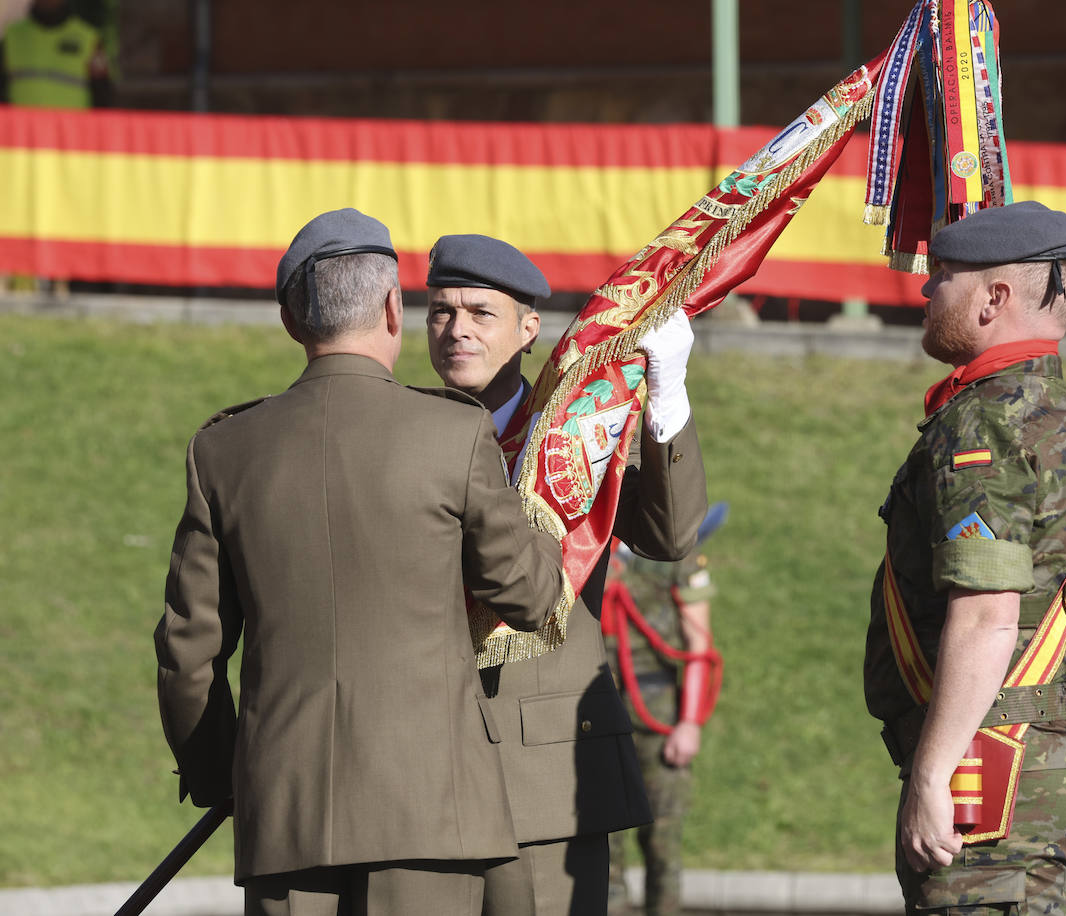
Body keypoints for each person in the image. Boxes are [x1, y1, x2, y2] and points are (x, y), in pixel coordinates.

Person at [154, 209, 567, 916]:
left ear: (291, 322)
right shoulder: (454, 432)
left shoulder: (224, 450)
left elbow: (189, 651)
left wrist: (223, 774)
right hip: (435, 814)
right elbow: (530, 596)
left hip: (286, 818)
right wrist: (552, 514)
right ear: (392, 309)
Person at [424, 234, 709, 916]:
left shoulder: (585, 431)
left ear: (529, 330)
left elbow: (669, 539)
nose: (457, 328)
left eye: (479, 312)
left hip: (545, 769)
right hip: (424, 763)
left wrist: (667, 397)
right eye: (440, 311)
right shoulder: (401, 430)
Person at [863, 201, 1066, 915]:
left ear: (994, 299)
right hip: (1055, 759)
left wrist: (932, 775)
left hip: (996, 770)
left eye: (942, 275)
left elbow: (986, 615)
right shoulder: (1053, 411)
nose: (924, 290)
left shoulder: (985, 421)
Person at [604, 503, 728, 916]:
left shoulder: (676, 554)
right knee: (603, 847)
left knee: (662, 845)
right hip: (599, 713)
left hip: (657, 714)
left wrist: (689, 723)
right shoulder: (590, 545)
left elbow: (698, 648)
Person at [0, 0, 111, 108]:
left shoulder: (90, 40)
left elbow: (103, 95)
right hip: (22, 126)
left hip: (71, 126)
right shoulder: (12, 35)